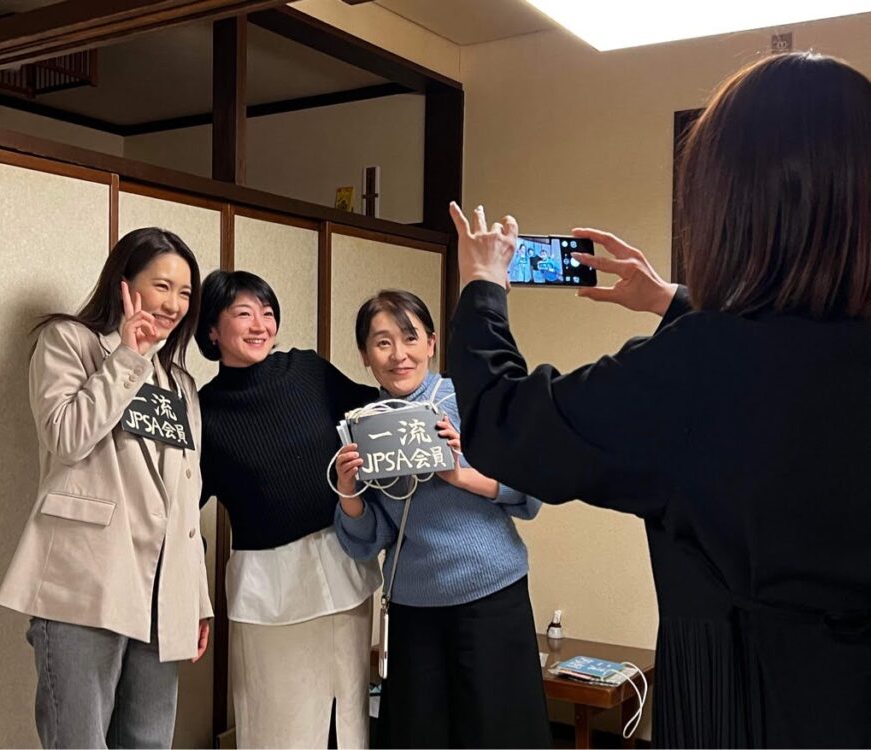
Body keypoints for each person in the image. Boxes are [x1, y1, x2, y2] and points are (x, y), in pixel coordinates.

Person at [446, 51, 871, 748]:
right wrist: (675, 301)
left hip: (748, 714)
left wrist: (483, 288)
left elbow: (503, 423)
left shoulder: (701, 368)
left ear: (731, 205)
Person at [0, 228, 214, 749]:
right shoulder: (69, 342)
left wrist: (196, 598)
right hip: (86, 583)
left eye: (185, 293)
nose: (174, 304)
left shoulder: (179, 382)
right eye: (162, 286)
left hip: (161, 595)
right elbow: (66, 437)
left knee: (147, 743)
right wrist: (128, 359)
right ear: (124, 284)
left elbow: (185, 497)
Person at [333, 290, 549, 749]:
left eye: (410, 338)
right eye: (382, 342)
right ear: (365, 355)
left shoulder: (469, 401)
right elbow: (369, 539)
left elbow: (530, 494)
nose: (399, 354)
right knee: (419, 735)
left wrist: (459, 471)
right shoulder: (365, 425)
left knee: (499, 732)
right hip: (413, 606)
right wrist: (349, 491)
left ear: (431, 343)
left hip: (491, 595)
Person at [194, 270, 381, 749]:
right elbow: (181, 513)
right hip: (269, 588)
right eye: (243, 314)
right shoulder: (204, 412)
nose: (260, 325)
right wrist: (188, 597)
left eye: (267, 313)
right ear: (212, 330)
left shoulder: (307, 371)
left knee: (349, 715)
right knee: (277, 718)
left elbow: (374, 414)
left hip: (342, 565)